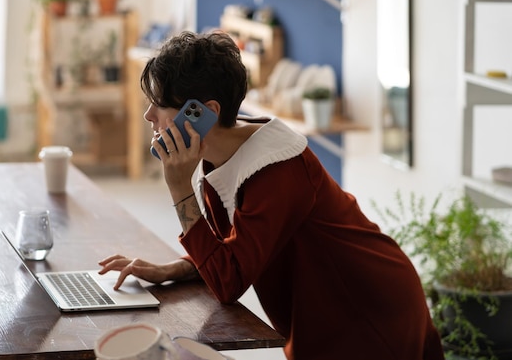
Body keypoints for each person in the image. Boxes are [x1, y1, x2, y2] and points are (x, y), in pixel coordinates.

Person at [98, 31, 445, 360]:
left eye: (159, 104)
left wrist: (178, 188)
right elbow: (232, 246)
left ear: (206, 113)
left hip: (366, 314)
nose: (149, 115)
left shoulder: (276, 169)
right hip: (326, 314)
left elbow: (228, 281)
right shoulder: (222, 155)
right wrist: (174, 268)